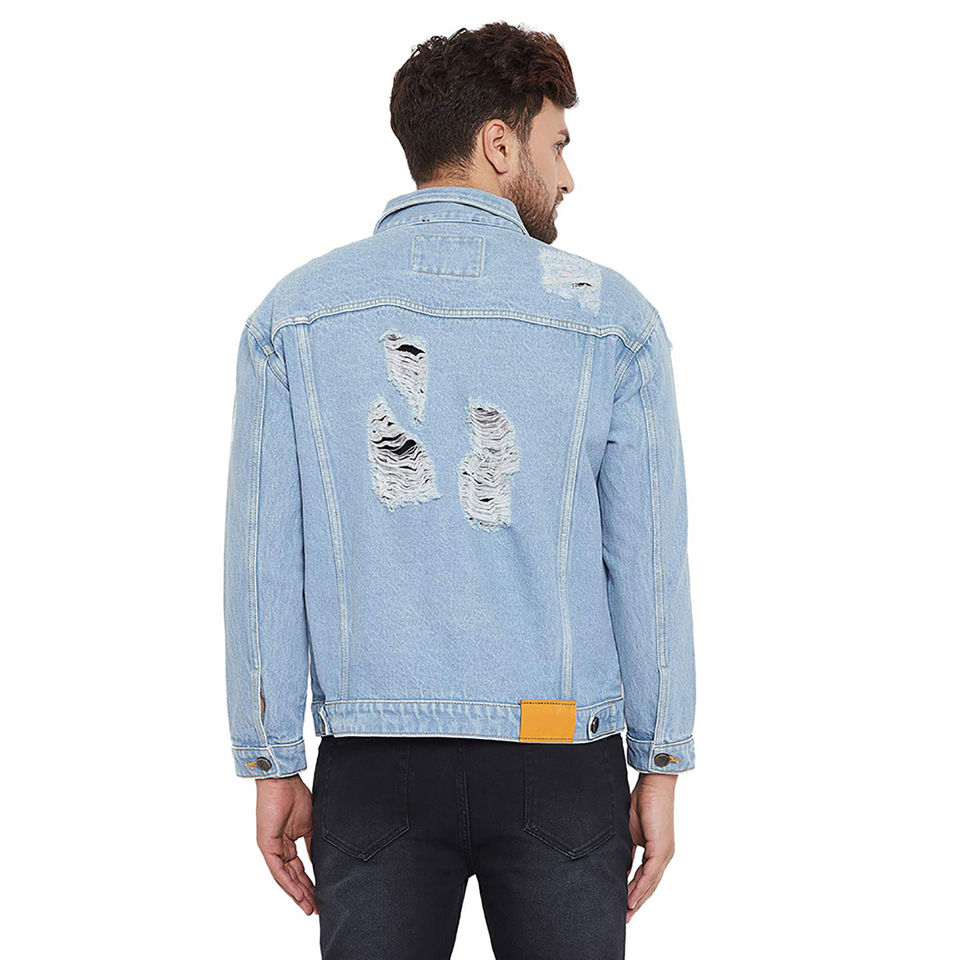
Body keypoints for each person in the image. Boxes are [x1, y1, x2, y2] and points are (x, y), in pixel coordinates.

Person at [223, 21, 696, 959]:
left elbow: (264, 557)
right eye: (558, 145)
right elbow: (647, 562)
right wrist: (661, 758)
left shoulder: (296, 317)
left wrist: (272, 760)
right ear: (498, 143)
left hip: (374, 758)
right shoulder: (613, 320)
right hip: (561, 752)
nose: (568, 177)